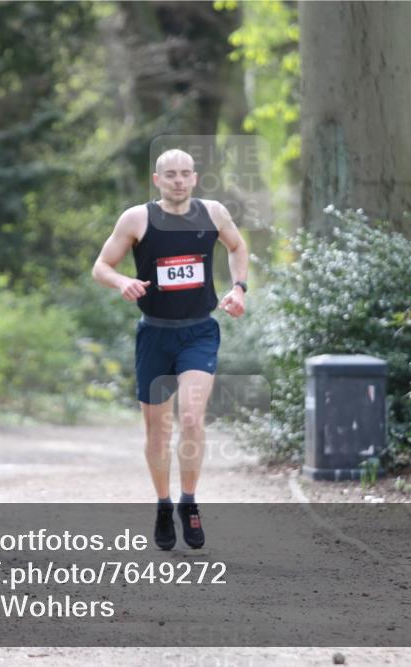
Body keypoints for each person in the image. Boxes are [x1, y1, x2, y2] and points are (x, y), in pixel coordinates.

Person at [92, 148, 248, 550]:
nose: (178, 180)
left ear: (195, 178)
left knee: (193, 418)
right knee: (157, 430)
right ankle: (163, 503)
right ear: (157, 180)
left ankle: (189, 502)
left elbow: (237, 247)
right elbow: (101, 266)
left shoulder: (213, 213)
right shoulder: (136, 219)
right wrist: (121, 282)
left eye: (185, 174)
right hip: (155, 335)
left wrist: (238, 288)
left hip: (199, 332)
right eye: (170, 175)